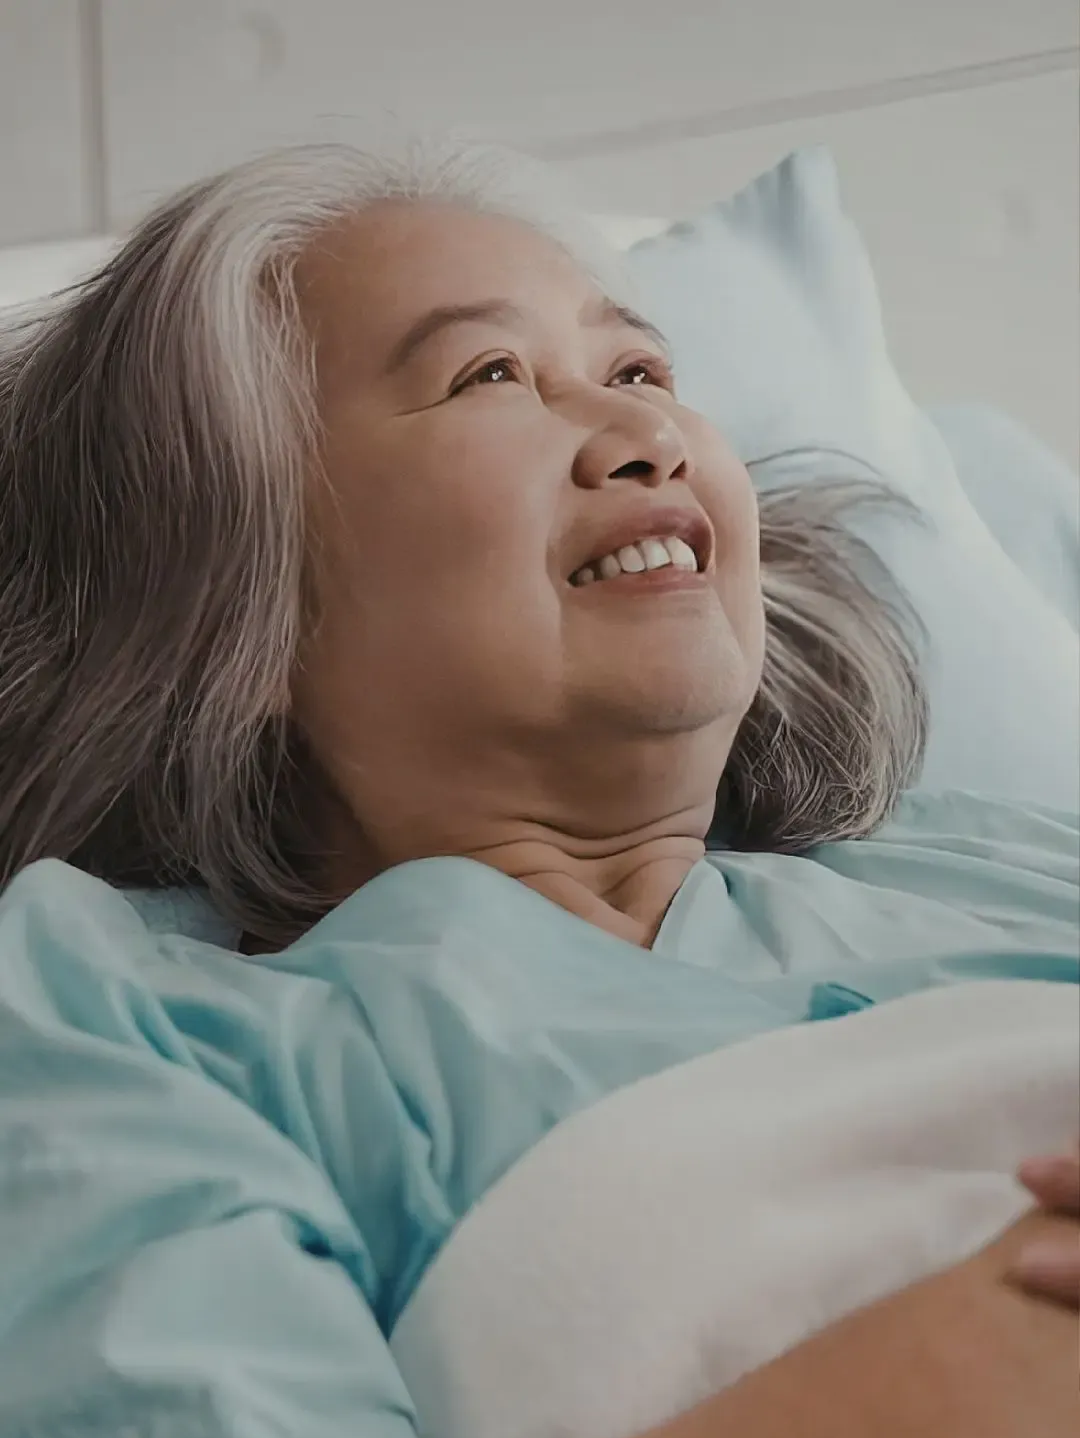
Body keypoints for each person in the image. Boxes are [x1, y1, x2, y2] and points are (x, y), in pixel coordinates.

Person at [0, 138, 1076, 1437]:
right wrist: (993, 1344)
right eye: (490, 374)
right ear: (237, 589)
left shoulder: (1024, 864)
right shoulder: (140, 1033)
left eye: (639, 371)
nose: (646, 436)